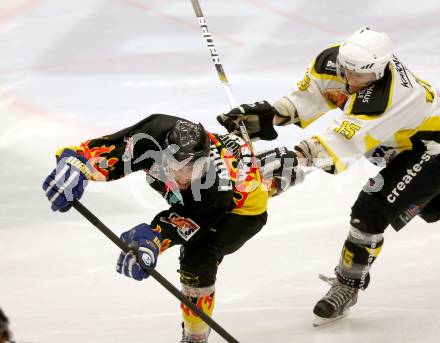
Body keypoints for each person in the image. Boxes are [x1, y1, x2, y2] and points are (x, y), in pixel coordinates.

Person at [218, 27, 440, 326]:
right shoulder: (335, 62)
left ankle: (348, 286)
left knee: (371, 209)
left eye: (358, 76)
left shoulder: (396, 96)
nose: (349, 80)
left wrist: (292, 156)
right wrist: (269, 116)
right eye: (346, 71)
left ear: (379, 69)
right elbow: (307, 99)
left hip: (431, 149)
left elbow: (341, 143)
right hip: (399, 151)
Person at [42, 114, 299, 342]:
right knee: (234, 185)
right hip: (228, 174)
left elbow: (184, 225)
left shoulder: (214, 186)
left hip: (239, 211)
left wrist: (153, 238)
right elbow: (113, 151)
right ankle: (266, 173)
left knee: (197, 259)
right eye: (176, 167)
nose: (182, 178)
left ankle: (195, 337)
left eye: (192, 169)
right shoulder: (154, 133)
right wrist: (77, 165)